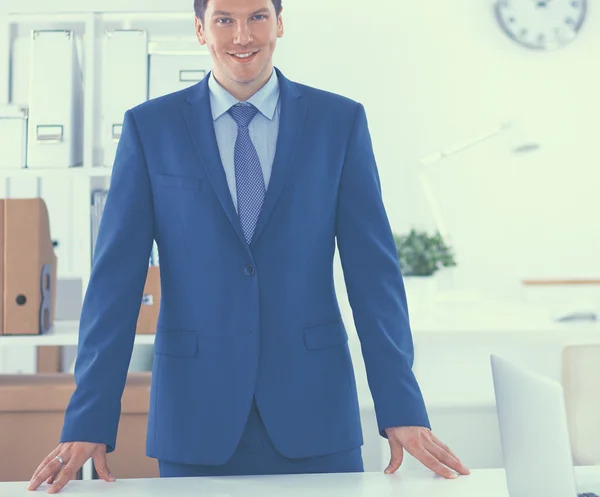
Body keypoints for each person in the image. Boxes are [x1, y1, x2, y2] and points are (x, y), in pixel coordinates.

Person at [28, 0, 470, 493]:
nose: (242, 35)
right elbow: (115, 285)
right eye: (224, 20)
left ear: (280, 23)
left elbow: (374, 277)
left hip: (315, 412)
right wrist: (89, 418)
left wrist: (400, 406)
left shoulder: (338, 122)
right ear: (201, 30)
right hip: (196, 418)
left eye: (258, 16)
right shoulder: (151, 129)